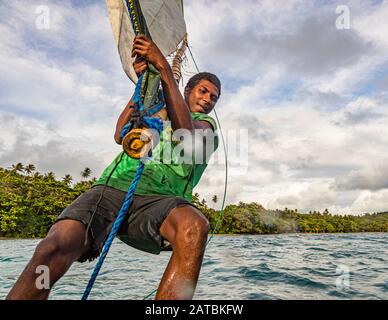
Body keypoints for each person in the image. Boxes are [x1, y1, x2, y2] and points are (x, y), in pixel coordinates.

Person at [6, 35, 221, 300]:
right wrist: (144, 85)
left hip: (161, 200)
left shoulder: (207, 128)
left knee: (194, 227)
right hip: (113, 187)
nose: (208, 99)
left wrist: (163, 69)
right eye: (203, 91)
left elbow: (185, 131)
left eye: (214, 97)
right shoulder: (157, 108)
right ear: (187, 90)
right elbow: (121, 134)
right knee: (53, 247)